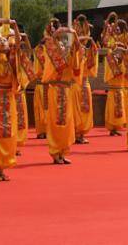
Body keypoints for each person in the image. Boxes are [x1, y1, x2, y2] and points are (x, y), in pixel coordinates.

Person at [0, 19, 33, 181]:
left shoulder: (12, 59)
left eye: (4, 40)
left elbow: (18, 44)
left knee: (8, 133)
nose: (3, 42)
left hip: (8, 98)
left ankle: (2, 167)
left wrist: (15, 26)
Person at [41, 26, 80, 164]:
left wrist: (74, 34)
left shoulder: (69, 58)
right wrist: (56, 34)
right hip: (55, 91)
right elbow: (51, 45)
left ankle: (63, 151)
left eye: (64, 45)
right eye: (60, 45)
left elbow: (78, 51)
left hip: (66, 92)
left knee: (67, 122)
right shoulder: (54, 58)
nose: (62, 47)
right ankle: (55, 152)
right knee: (56, 122)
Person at [73, 35, 98, 144]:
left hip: (85, 86)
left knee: (86, 111)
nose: (83, 49)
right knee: (76, 111)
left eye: (84, 48)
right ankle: (75, 134)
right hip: (75, 87)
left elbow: (95, 51)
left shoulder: (87, 60)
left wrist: (91, 39)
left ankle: (81, 134)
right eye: (81, 48)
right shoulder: (74, 59)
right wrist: (80, 39)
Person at [103, 44, 128, 135]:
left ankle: (117, 128)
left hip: (120, 90)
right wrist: (114, 51)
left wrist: (123, 51)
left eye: (119, 53)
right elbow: (111, 73)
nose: (118, 55)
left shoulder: (122, 64)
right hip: (113, 90)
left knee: (120, 109)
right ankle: (112, 128)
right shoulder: (110, 63)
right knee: (112, 110)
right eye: (116, 53)